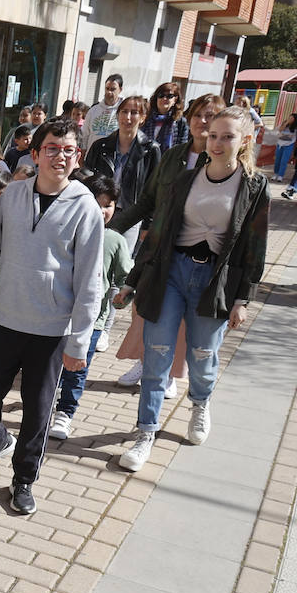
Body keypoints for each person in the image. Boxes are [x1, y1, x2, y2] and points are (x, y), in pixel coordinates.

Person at [0, 119, 104, 516]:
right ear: (36, 153)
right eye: (52, 148)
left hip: (51, 329)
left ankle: (23, 477)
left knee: (37, 410)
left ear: (77, 158)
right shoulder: (14, 195)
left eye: (68, 150)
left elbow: (90, 281)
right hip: (5, 318)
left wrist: (79, 341)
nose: (60, 156)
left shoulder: (86, 207)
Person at [117, 106, 269, 471]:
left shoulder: (254, 186)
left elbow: (255, 244)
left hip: (213, 282)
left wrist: (243, 297)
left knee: (203, 356)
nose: (216, 143)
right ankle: (145, 433)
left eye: (227, 136)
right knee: (156, 357)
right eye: (213, 135)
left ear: (245, 140)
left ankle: (200, 404)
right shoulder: (186, 180)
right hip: (171, 273)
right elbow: (158, 235)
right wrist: (133, 282)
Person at [111, 93, 226, 390]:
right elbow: (147, 200)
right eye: (199, 115)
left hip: (195, 256)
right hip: (159, 249)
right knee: (148, 309)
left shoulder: (220, 164)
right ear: (188, 118)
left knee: (183, 319)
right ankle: (145, 363)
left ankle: (172, 373)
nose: (204, 121)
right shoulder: (173, 155)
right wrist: (111, 228)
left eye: (211, 116)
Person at [49, 172, 134, 441]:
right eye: (96, 201)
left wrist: (123, 295)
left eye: (108, 204)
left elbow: (124, 276)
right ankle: (47, 402)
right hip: (57, 314)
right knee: (52, 364)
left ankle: (65, 412)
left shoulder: (115, 241)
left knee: (77, 368)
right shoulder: (64, 231)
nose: (101, 209)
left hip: (92, 320)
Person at [83, 94, 159, 350]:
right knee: (93, 264)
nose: (128, 117)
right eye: (125, 111)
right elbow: (87, 179)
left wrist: (147, 224)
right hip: (99, 210)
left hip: (131, 216)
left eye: (135, 113)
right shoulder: (102, 145)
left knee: (118, 272)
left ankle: (105, 326)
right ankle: (88, 318)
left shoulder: (151, 150)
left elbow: (153, 190)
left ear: (143, 117)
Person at [144, 83, 189, 153]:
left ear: (175, 99)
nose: (164, 99)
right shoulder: (146, 118)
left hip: (169, 160)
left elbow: (182, 148)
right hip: (147, 159)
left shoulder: (180, 121)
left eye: (169, 96)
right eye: (161, 96)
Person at [84, 74, 124, 149]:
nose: (109, 92)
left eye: (113, 89)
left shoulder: (124, 111)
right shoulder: (93, 110)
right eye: (107, 88)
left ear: (120, 90)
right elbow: (85, 136)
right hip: (92, 156)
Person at [273, 113, 297, 182]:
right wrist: (286, 123)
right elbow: (280, 130)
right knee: (277, 160)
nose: (290, 119)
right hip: (280, 144)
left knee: (284, 161)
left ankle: (280, 175)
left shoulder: (296, 128)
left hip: (288, 145)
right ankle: (275, 173)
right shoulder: (284, 124)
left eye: (292, 118)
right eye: (289, 117)